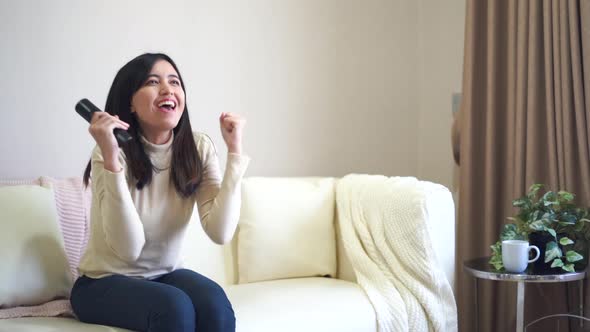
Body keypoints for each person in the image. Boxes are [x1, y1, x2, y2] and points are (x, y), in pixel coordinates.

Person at [70, 53, 249, 332]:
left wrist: (235, 151)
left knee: (215, 304)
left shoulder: (197, 147)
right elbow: (128, 250)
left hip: (165, 276)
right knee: (174, 307)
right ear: (130, 100)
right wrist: (111, 158)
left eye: (175, 82)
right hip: (101, 283)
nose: (168, 89)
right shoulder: (110, 153)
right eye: (153, 82)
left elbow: (220, 231)